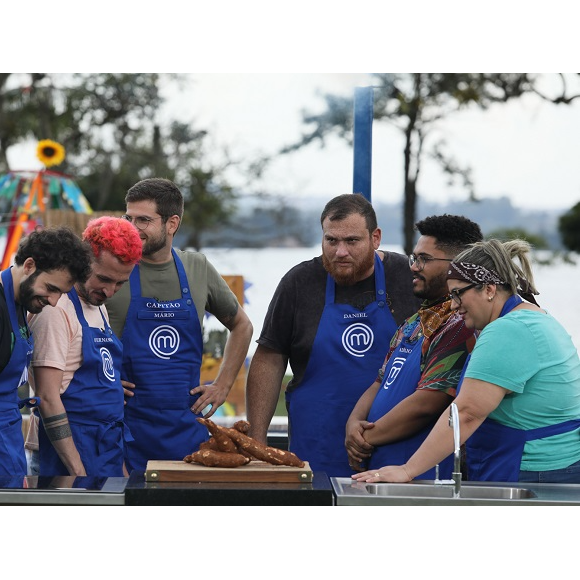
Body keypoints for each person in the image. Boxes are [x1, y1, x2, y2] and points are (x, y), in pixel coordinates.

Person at [354, 239, 580, 485]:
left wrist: (408, 470)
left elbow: (467, 412)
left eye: (457, 294)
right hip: (550, 465)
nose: (453, 305)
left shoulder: (509, 330)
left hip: (534, 470)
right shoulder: (534, 318)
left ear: (489, 289)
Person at [245, 194, 422, 477]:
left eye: (352, 241)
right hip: (316, 447)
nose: (340, 252)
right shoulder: (298, 283)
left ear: (375, 237)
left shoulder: (408, 278)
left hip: (397, 447)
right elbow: (269, 360)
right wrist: (256, 441)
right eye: (331, 241)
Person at [106, 178, 253, 473]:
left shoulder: (196, 268)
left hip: (186, 431)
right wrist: (100, 380)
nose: (132, 227)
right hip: (123, 429)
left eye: (144, 220)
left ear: (172, 223)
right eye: (128, 218)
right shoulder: (111, 267)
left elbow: (242, 325)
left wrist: (222, 385)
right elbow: (74, 326)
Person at [345, 215, 483, 480]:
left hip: (423, 476)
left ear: (459, 265)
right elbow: (380, 381)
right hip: (384, 470)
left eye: (425, 259)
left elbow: (427, 405)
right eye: (414, 258)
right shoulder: (413, 323)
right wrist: (353, 422)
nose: (414, 267)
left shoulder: (459, 325)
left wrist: (363, 439)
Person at [27, 217, 143, 477]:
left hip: (104, 447)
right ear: (83, 257)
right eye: (103, 278)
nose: (110, 292)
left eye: (120, 283)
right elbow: (47, 397)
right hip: (67, 455)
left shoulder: (96, 303)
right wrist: (79, 474)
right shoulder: (56, 309)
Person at [0, 227, 92, 477]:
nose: (53, 301)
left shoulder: (21, 302)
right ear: (29, 265)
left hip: (9, 444)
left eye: (60, 293)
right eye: (50, 288)